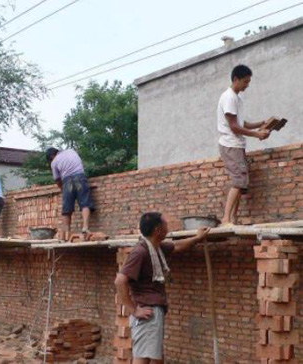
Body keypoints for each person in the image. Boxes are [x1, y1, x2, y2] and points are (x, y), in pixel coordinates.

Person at [114, 212, 210, 364]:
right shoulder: (141, 251)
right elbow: (120, 281)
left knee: (152, 356)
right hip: (147, 312)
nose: (168, 227)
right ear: (158, 230)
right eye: (166, 224)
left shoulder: (155, 247)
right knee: (145, 358)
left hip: (152, 312)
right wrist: (133, 310)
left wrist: (197, 238)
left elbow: (177, 246)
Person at [218, 65, 271, 226]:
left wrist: (261, 124)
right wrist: (257, 135)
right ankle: (226, 219)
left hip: (237, 145)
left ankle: (233, 219)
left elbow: (242, 123)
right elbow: (234, 127)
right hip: (230, 144)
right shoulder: (229, 97)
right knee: (238, 181)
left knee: (241, 184)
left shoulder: (237, 98)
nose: (247, 85)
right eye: (245, 81)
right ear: (236, 79)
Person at [46, 148, 95, 241]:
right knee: (85, 203)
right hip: (80, 177)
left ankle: (66, 235)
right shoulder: (71, 151)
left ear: (51, 156)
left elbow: (57, 180)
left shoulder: (54, 162)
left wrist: (62, 189)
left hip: (67, 181)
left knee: (67, 209)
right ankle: (85, 228)